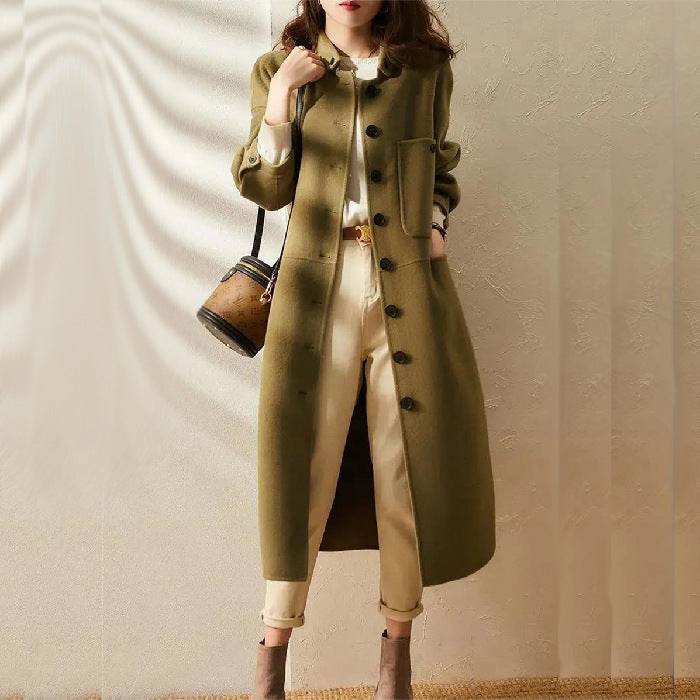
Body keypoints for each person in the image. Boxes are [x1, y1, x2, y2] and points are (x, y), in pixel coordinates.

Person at [231, 2, 497, 698]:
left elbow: (441, 163)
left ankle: (395, 666)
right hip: (313, 293)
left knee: (403, 469)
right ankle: (271, 664)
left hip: (408, 287)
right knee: (301, 468)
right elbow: (264, 185)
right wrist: (283, 95)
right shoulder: (280, 69)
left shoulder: (424, 69)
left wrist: (434, 222)